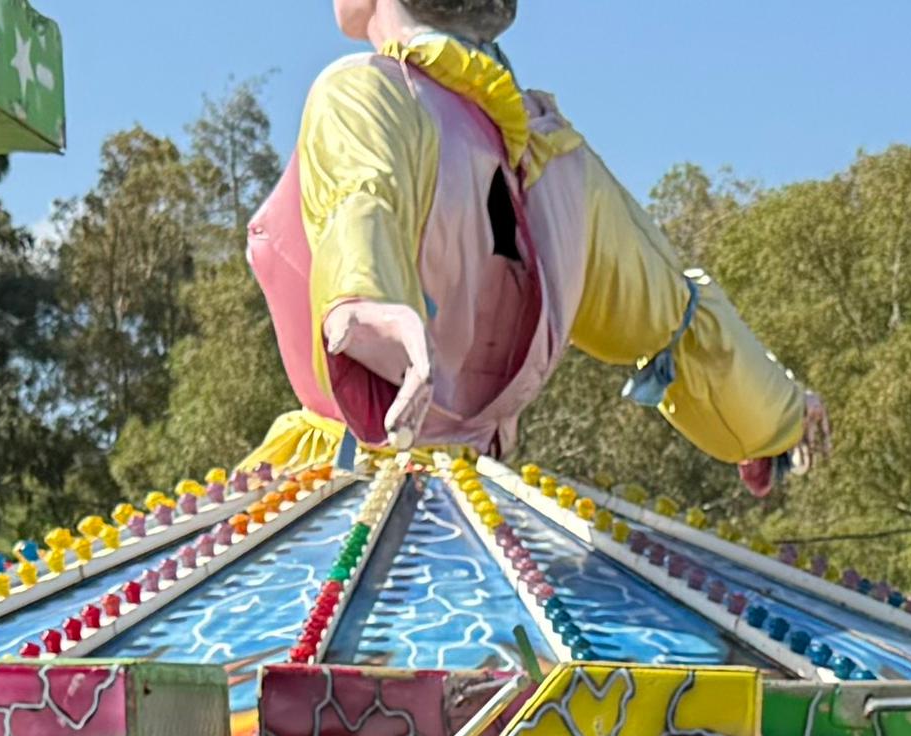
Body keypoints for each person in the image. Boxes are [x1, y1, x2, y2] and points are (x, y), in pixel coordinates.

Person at [252, 0, 823, 486]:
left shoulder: (362, 93)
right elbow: (673, 316)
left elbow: (361, 201)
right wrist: (781, 418)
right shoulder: (558, 160)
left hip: (342, 488)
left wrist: (363, 301)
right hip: (476, 500)